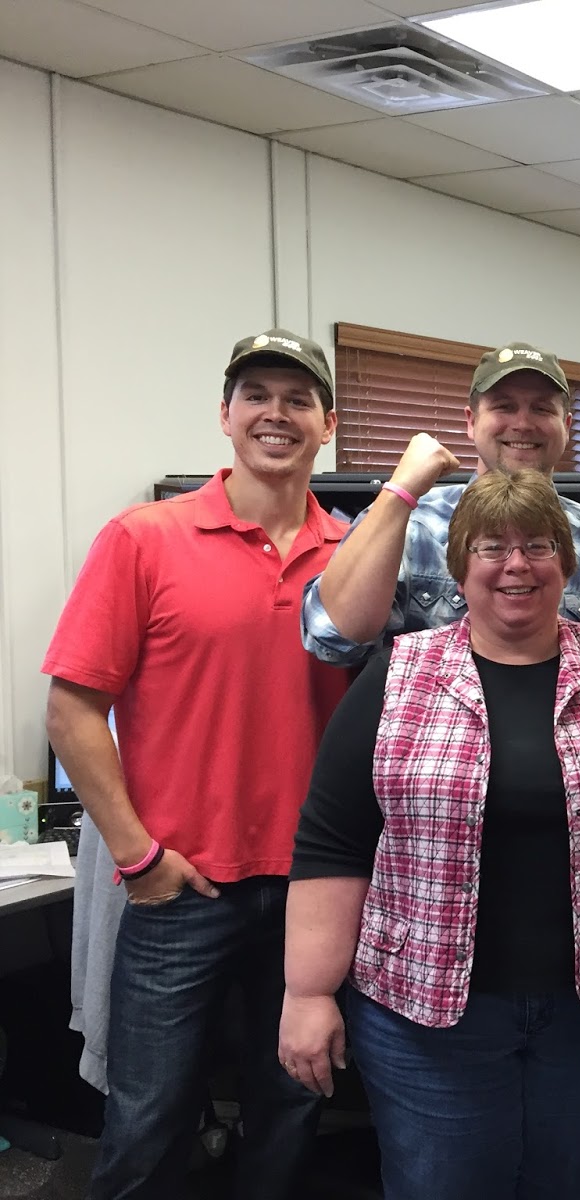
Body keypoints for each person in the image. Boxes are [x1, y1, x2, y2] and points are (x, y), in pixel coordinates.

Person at [279, 469, 580, 1200]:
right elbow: (333, 842)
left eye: (537, 546)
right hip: (425, 1019)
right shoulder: (397, 674)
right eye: (491, 547)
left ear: (567, 562)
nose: (515, 565)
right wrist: (307, 994)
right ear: (459, 567)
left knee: (573, 1183)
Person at [42, 328, 350, 1199]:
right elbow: (71, 711)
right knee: (148, 1118)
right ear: (225, 415)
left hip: (311, 897)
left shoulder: (357, 556)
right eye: (256, 395)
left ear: (327, 423)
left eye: (298, 399)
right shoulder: (144, 538)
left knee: (292, 1107)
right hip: (183, 888)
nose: (275, 415)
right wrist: (139, 859)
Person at [301, 340, 580, 666]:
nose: (523, 423)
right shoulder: (411, 526)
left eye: (541, 408)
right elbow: (331, 638)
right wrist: (399, 493)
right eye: (504, 406)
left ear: (566, 426)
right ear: (471, 421)